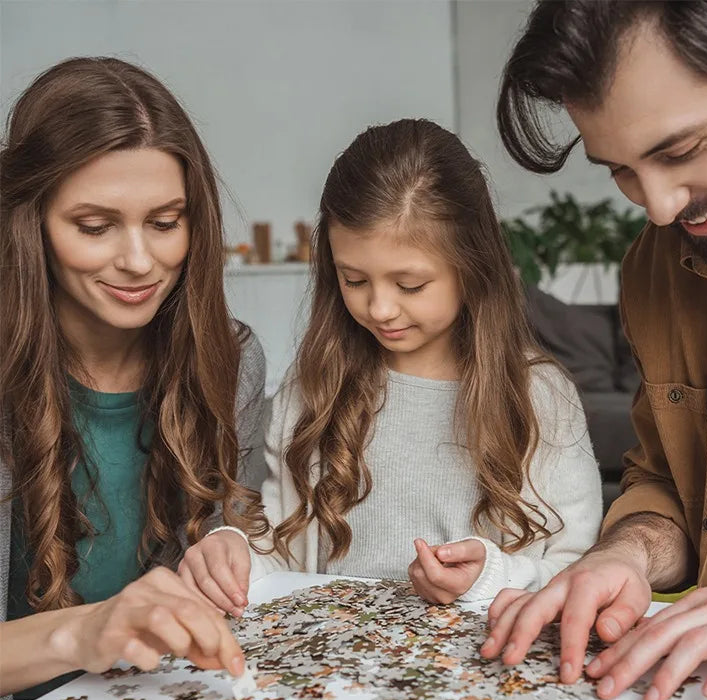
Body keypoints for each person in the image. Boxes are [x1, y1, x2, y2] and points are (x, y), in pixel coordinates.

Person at [481, 0, 707, 700]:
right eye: (621, 170)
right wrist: (624, 553)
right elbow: (671, 486)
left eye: (680, 151)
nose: (656, 207)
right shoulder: (659, 265)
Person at [179, 118, 602, 605]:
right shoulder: (313, 384)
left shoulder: (540, 395)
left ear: (473, 267)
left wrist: (491, 579)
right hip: (334, 668)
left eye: (410, 285)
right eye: (354, 280)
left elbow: (579, 566)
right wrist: (233, 550)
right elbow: (280, 548)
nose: (379, 309)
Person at [0, 57, 269, 700]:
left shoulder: (231, 360)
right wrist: (85, 629)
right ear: (30, 223)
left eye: (165, 221)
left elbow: (237, 521)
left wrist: (229, 543)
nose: (140, 261)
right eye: (95, 227)